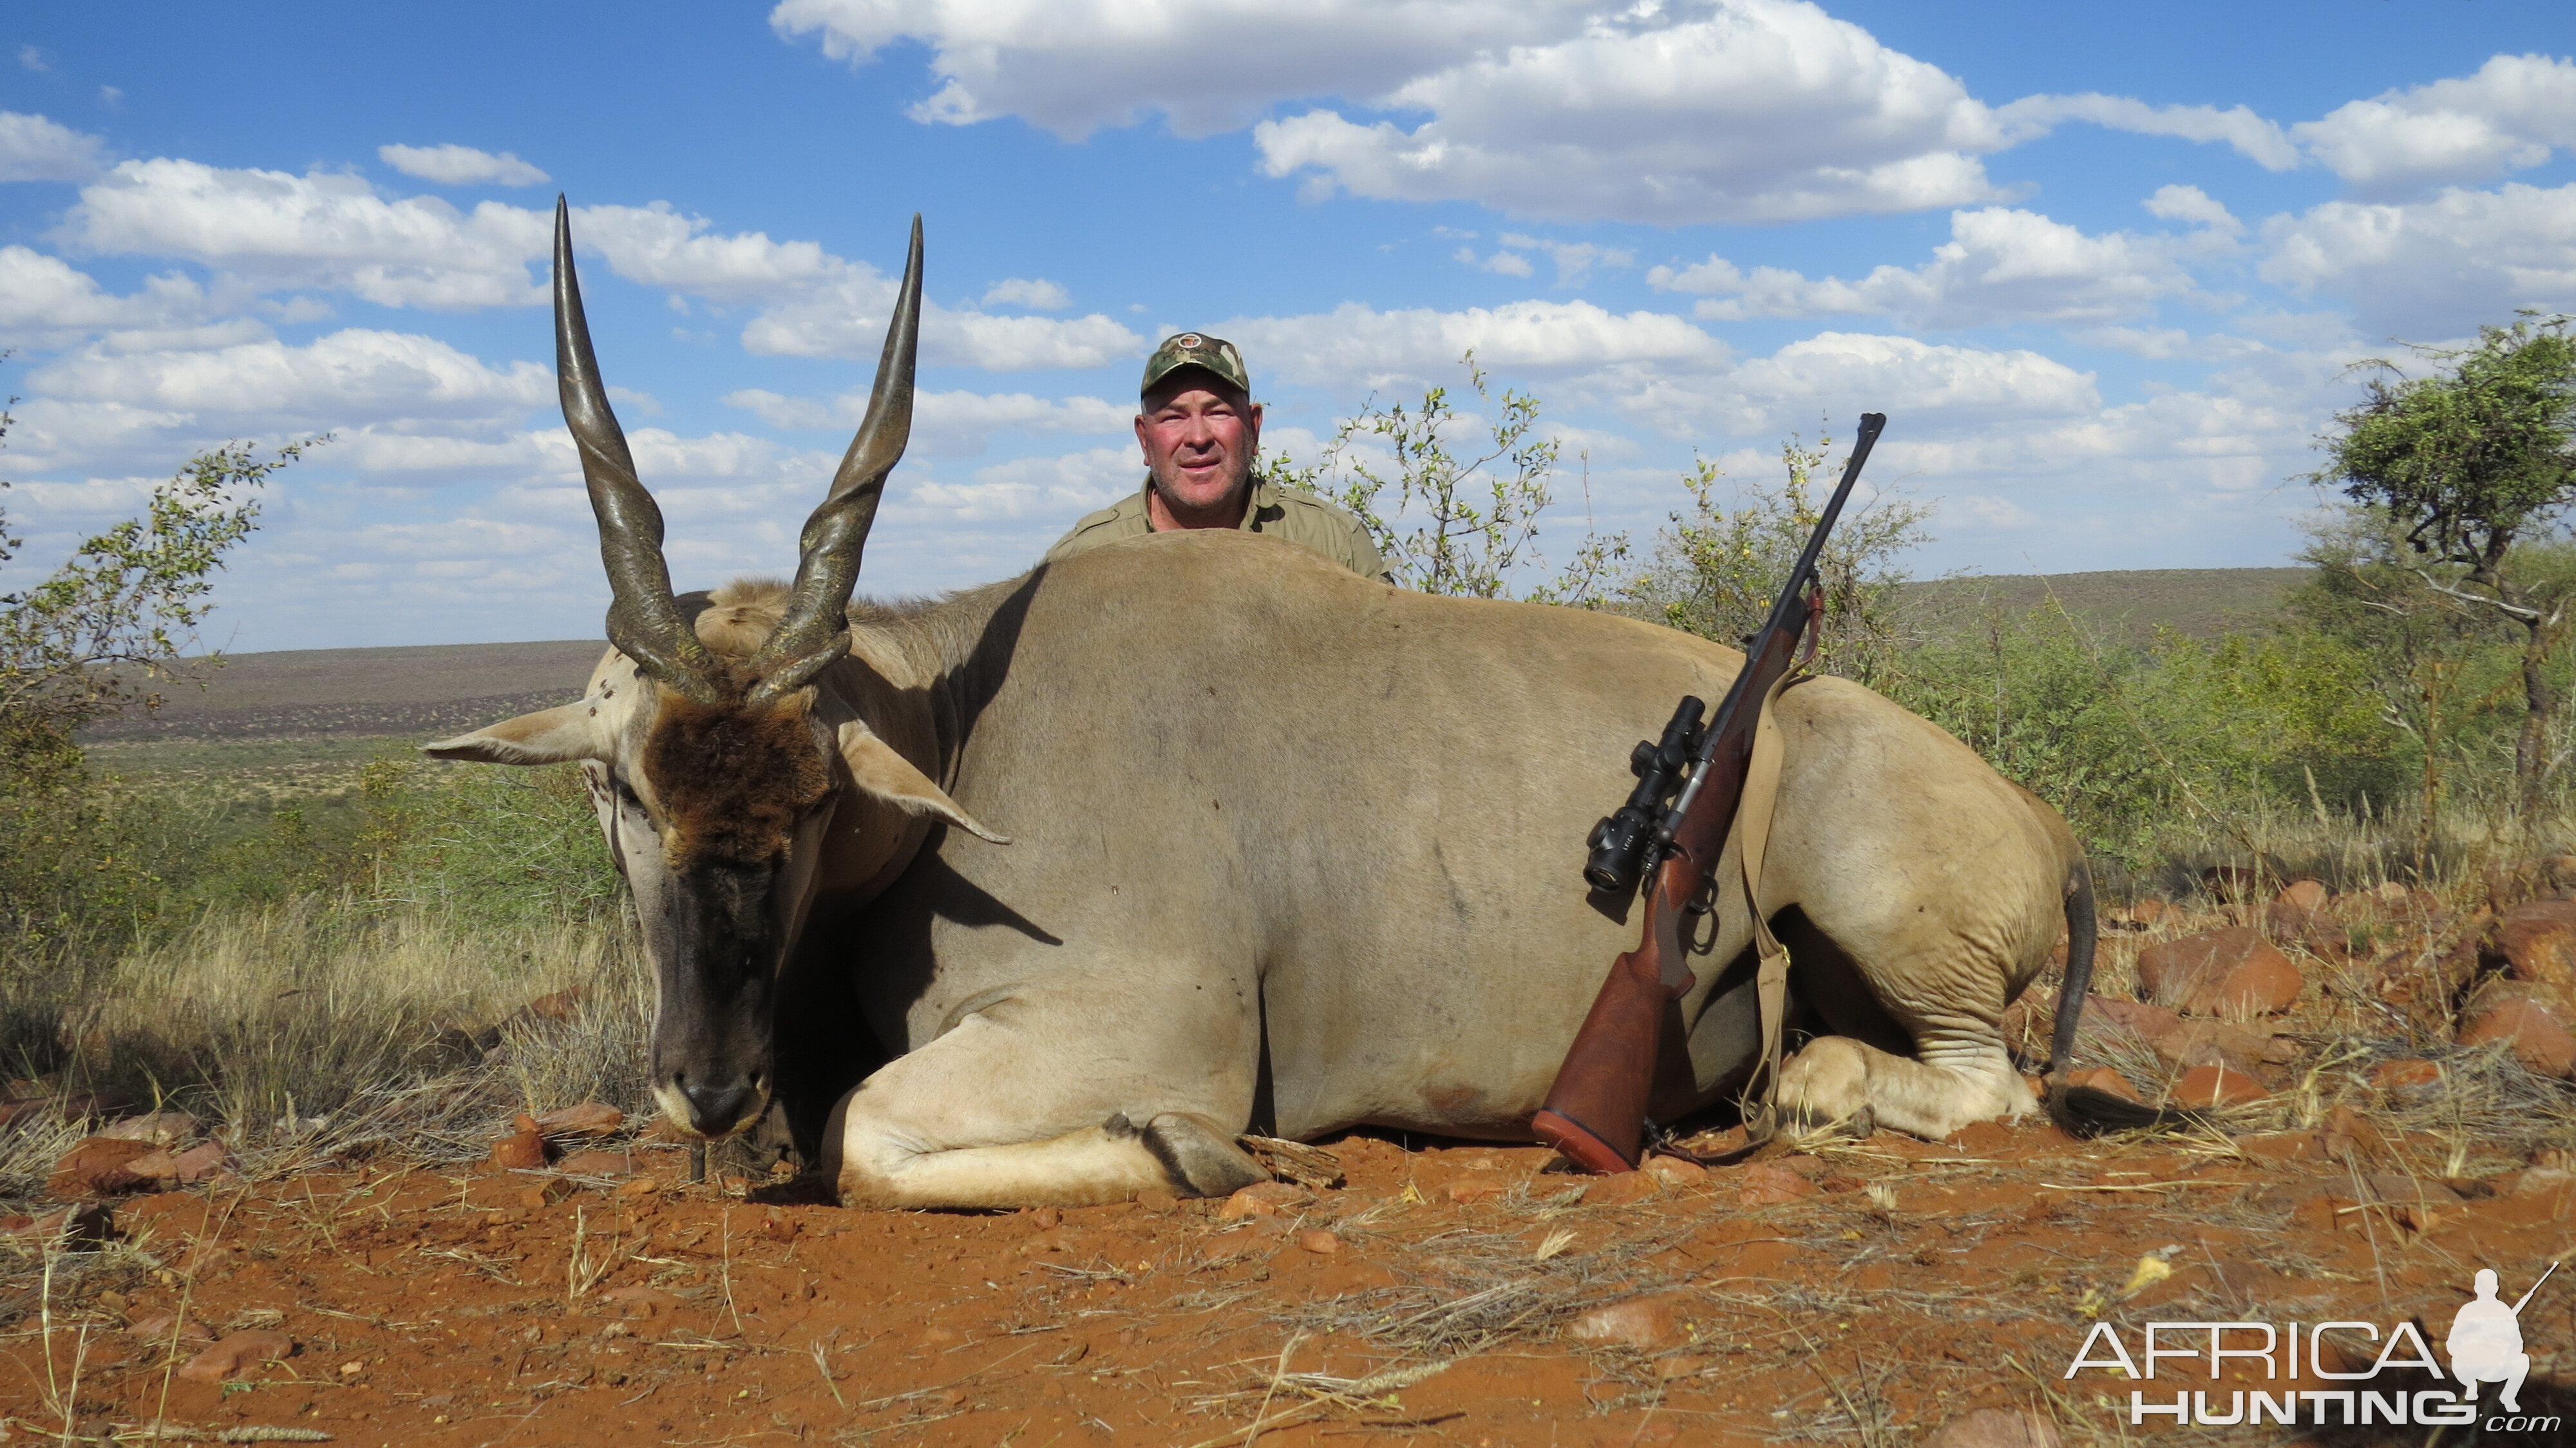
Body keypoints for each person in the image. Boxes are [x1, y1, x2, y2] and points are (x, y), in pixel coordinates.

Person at [1046, 332, 1392, 584]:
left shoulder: (1333, 543)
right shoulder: (1080, 560)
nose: (1198, 438)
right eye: (1173, 417)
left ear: (1254, 428)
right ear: (1144, 439)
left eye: (1218, 412)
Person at [2447, 1268, 2532, 1413]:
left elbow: (2518, 1344)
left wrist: (2502, 1350)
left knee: (2523, 1360)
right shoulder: (2467, 1310)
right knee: (2456, 1361)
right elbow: (2452, 1344)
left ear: (2496, 1288)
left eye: (2489, 1287)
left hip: (2497, 1366)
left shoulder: (2504, 1311)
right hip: (2470, 1367)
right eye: (2483, 1287)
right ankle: (2470, 1387)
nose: (2486, 1291)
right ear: (2476, 1288)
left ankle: (2508, 1397)